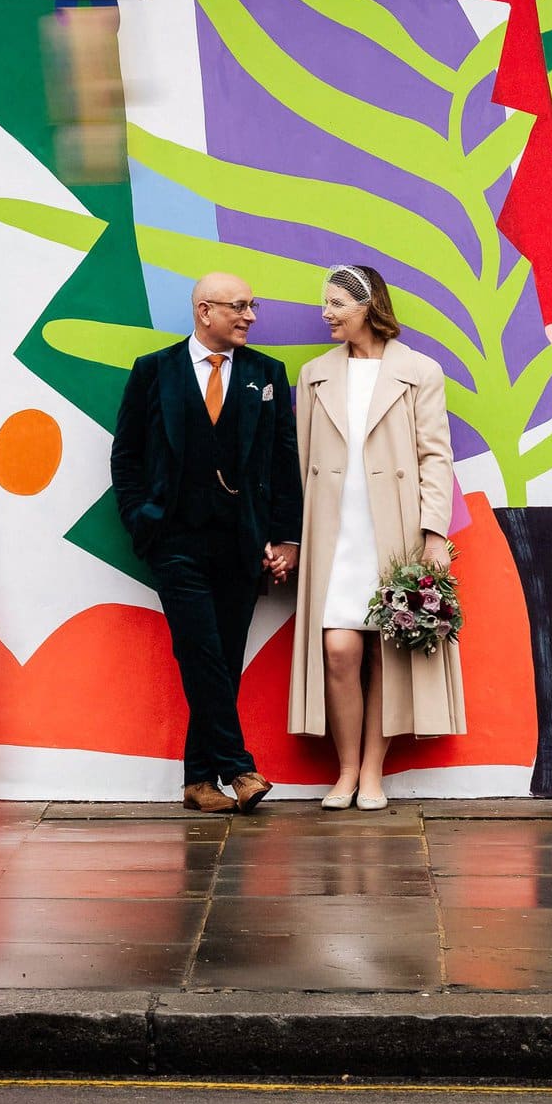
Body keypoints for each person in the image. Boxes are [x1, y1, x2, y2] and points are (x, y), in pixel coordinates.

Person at [111, 272, 302, 814]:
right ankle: (238, 768)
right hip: (175, 543)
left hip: (242, 546)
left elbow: (283, 463)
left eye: (252, 305)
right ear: (204, 312)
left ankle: (198, 782)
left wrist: (287, 538)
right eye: (239, 306)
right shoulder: (155, 371)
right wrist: (141, 518)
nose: (250, 316)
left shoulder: (267, 373)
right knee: (200, 650)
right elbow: (126, 457)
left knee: (220, 662)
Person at [287, 264, 465, 810]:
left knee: (390, 650)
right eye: (326, 303)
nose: (327, 313)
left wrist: (434, 534)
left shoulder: (419, 371)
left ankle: (370, 774)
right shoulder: (315, 374)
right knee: (339, 649)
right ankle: (343, 770)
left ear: (369, 305)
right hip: (335, 530)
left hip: (395, 528)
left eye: (337, 303)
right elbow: (300, 459)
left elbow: (436, 454)